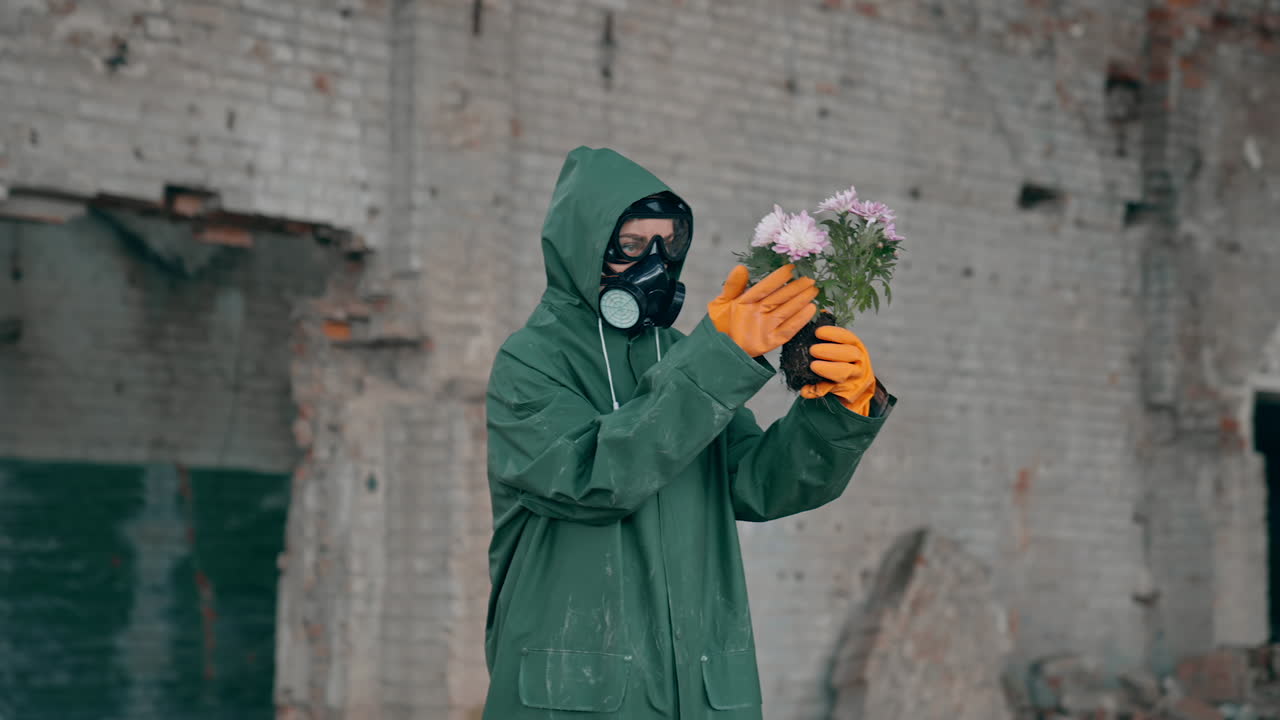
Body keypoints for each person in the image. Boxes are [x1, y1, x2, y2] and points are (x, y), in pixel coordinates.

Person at [483, 146, 895, 719]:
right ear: (583, 247)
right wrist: (720, 355)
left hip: (698, 695)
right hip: (578, 694)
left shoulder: (679, 352)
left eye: (667, 243)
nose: (654, 260)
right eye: (630, 245)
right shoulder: (530, 362)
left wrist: (840, 411)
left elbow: (756, 483)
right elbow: (590, 480)